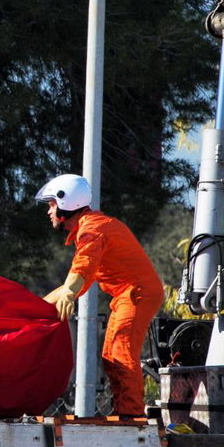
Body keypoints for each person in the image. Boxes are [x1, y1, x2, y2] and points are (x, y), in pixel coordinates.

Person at [36, 174, 163, 418]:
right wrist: (37, 307)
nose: (49, 211)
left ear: (66, 203)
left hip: (137, 293)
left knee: (121, 351)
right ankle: (124, 412)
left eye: (52, 204)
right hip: (130, 294)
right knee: (110, 357)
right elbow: (77, 279)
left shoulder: (93, 229)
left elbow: (82, 269)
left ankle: (132, 417)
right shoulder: (91, 227)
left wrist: (70, 293)